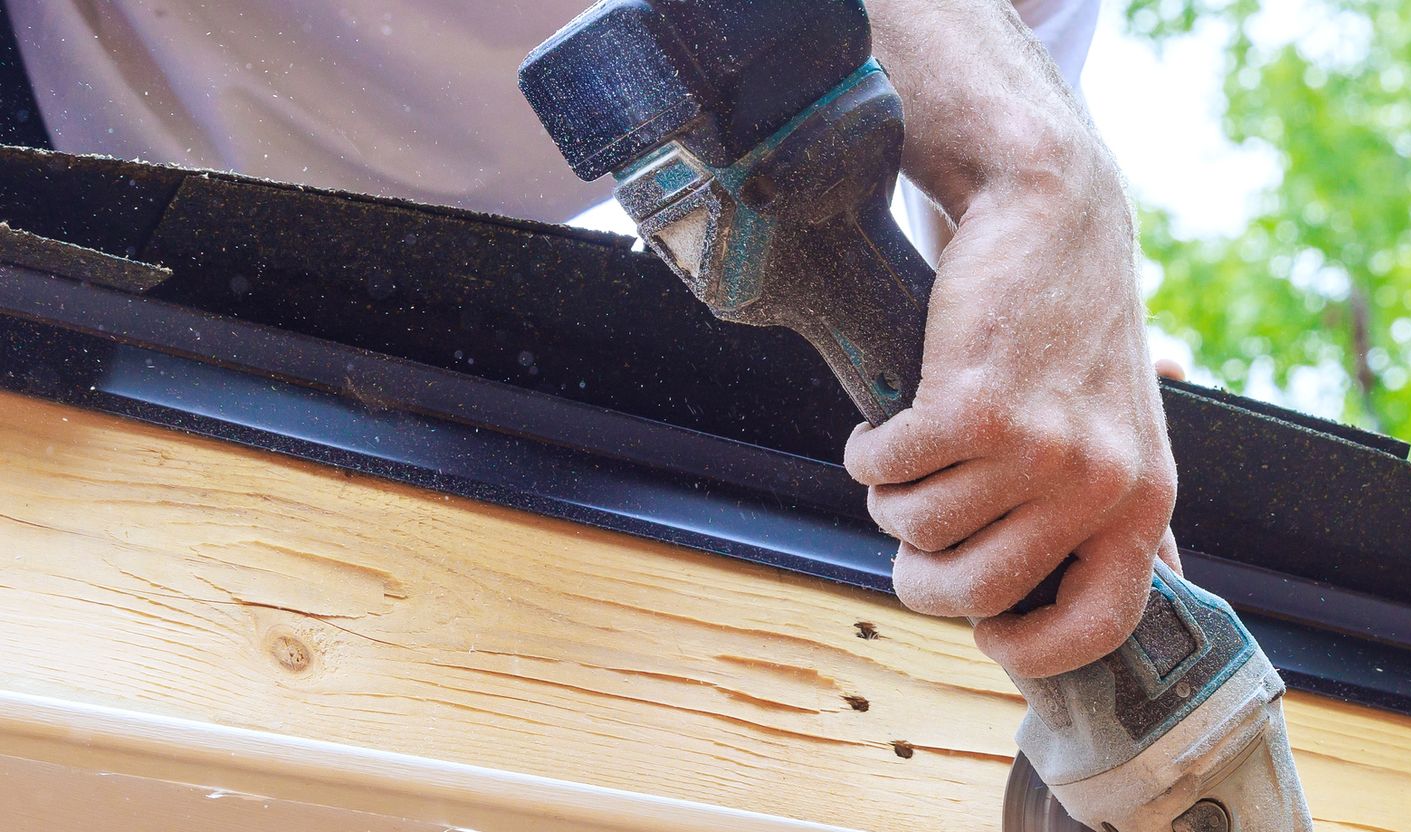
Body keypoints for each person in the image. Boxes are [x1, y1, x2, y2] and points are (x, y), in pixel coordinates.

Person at [5, 0, 1178, 680]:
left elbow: (994, 300)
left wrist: (1060, 400)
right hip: (46, 124)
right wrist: (1039, 164)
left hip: (394, 286)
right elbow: (1017, 175)